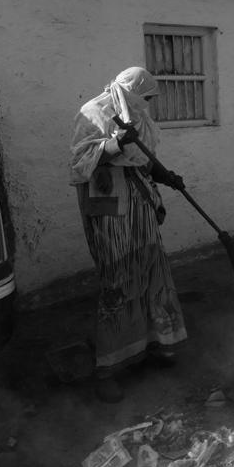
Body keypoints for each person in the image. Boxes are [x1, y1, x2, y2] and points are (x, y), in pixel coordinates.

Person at [70, 67, 188, 403]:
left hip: (141, 201)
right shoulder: (93, 112)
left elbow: (143, 160)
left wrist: (167, 177)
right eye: (146, 97)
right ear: (132, 91)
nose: (148, 104)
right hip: (110, 207)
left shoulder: (137, 117)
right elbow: (79, 163)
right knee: (119, 280)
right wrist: (113, 143)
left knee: (152, 271)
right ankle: (108, 368)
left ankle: (156, 345)